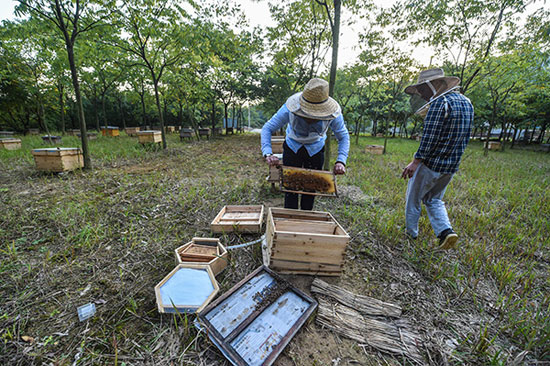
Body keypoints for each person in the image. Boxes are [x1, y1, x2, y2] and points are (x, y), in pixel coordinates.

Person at [402, 68, 474, 249]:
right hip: (450, 166)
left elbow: (429, 139)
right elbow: (465, 137)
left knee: (413, 199)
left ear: (435, 85)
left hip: (431, 164)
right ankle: (445, 232)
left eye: (423, 90)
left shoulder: (439, 104)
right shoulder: (467, 103)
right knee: (434, 200)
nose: (423, 95)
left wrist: (415, 162)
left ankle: (411, 234)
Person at [261, 78, 350, 210]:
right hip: (292, 148)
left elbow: (343, 136)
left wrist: (341, 161)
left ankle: (305, 218)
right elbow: (267, 128)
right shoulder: (288, 109)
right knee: (290, 188)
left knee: (310, 189)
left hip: (316, 150)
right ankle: (290, 219)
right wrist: (268, 153)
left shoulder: (334, 114)